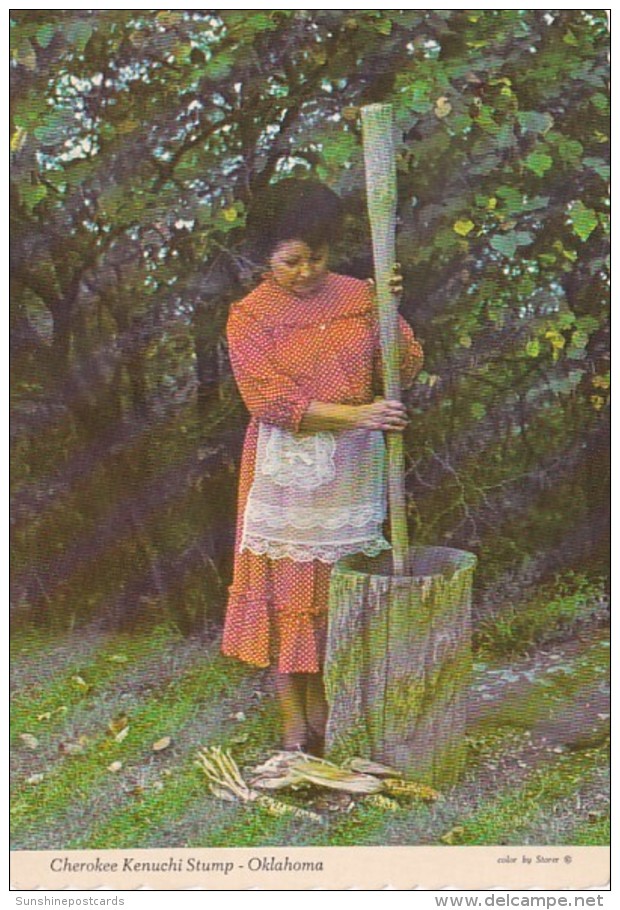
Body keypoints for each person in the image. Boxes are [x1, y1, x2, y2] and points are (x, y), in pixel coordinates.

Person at [222, 180, 424, 755]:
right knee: (287, 591)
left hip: (352, 466)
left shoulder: (358, 295)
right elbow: (269, 402)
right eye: (290, 260)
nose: (305, 270)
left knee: (340, 593)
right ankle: (294, 723)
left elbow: (403, 364)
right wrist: (359, 414)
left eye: (317, 257)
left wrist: (389, 310)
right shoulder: (251, 316)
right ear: (264, 257)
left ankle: (336, 714)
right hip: (287, 467)